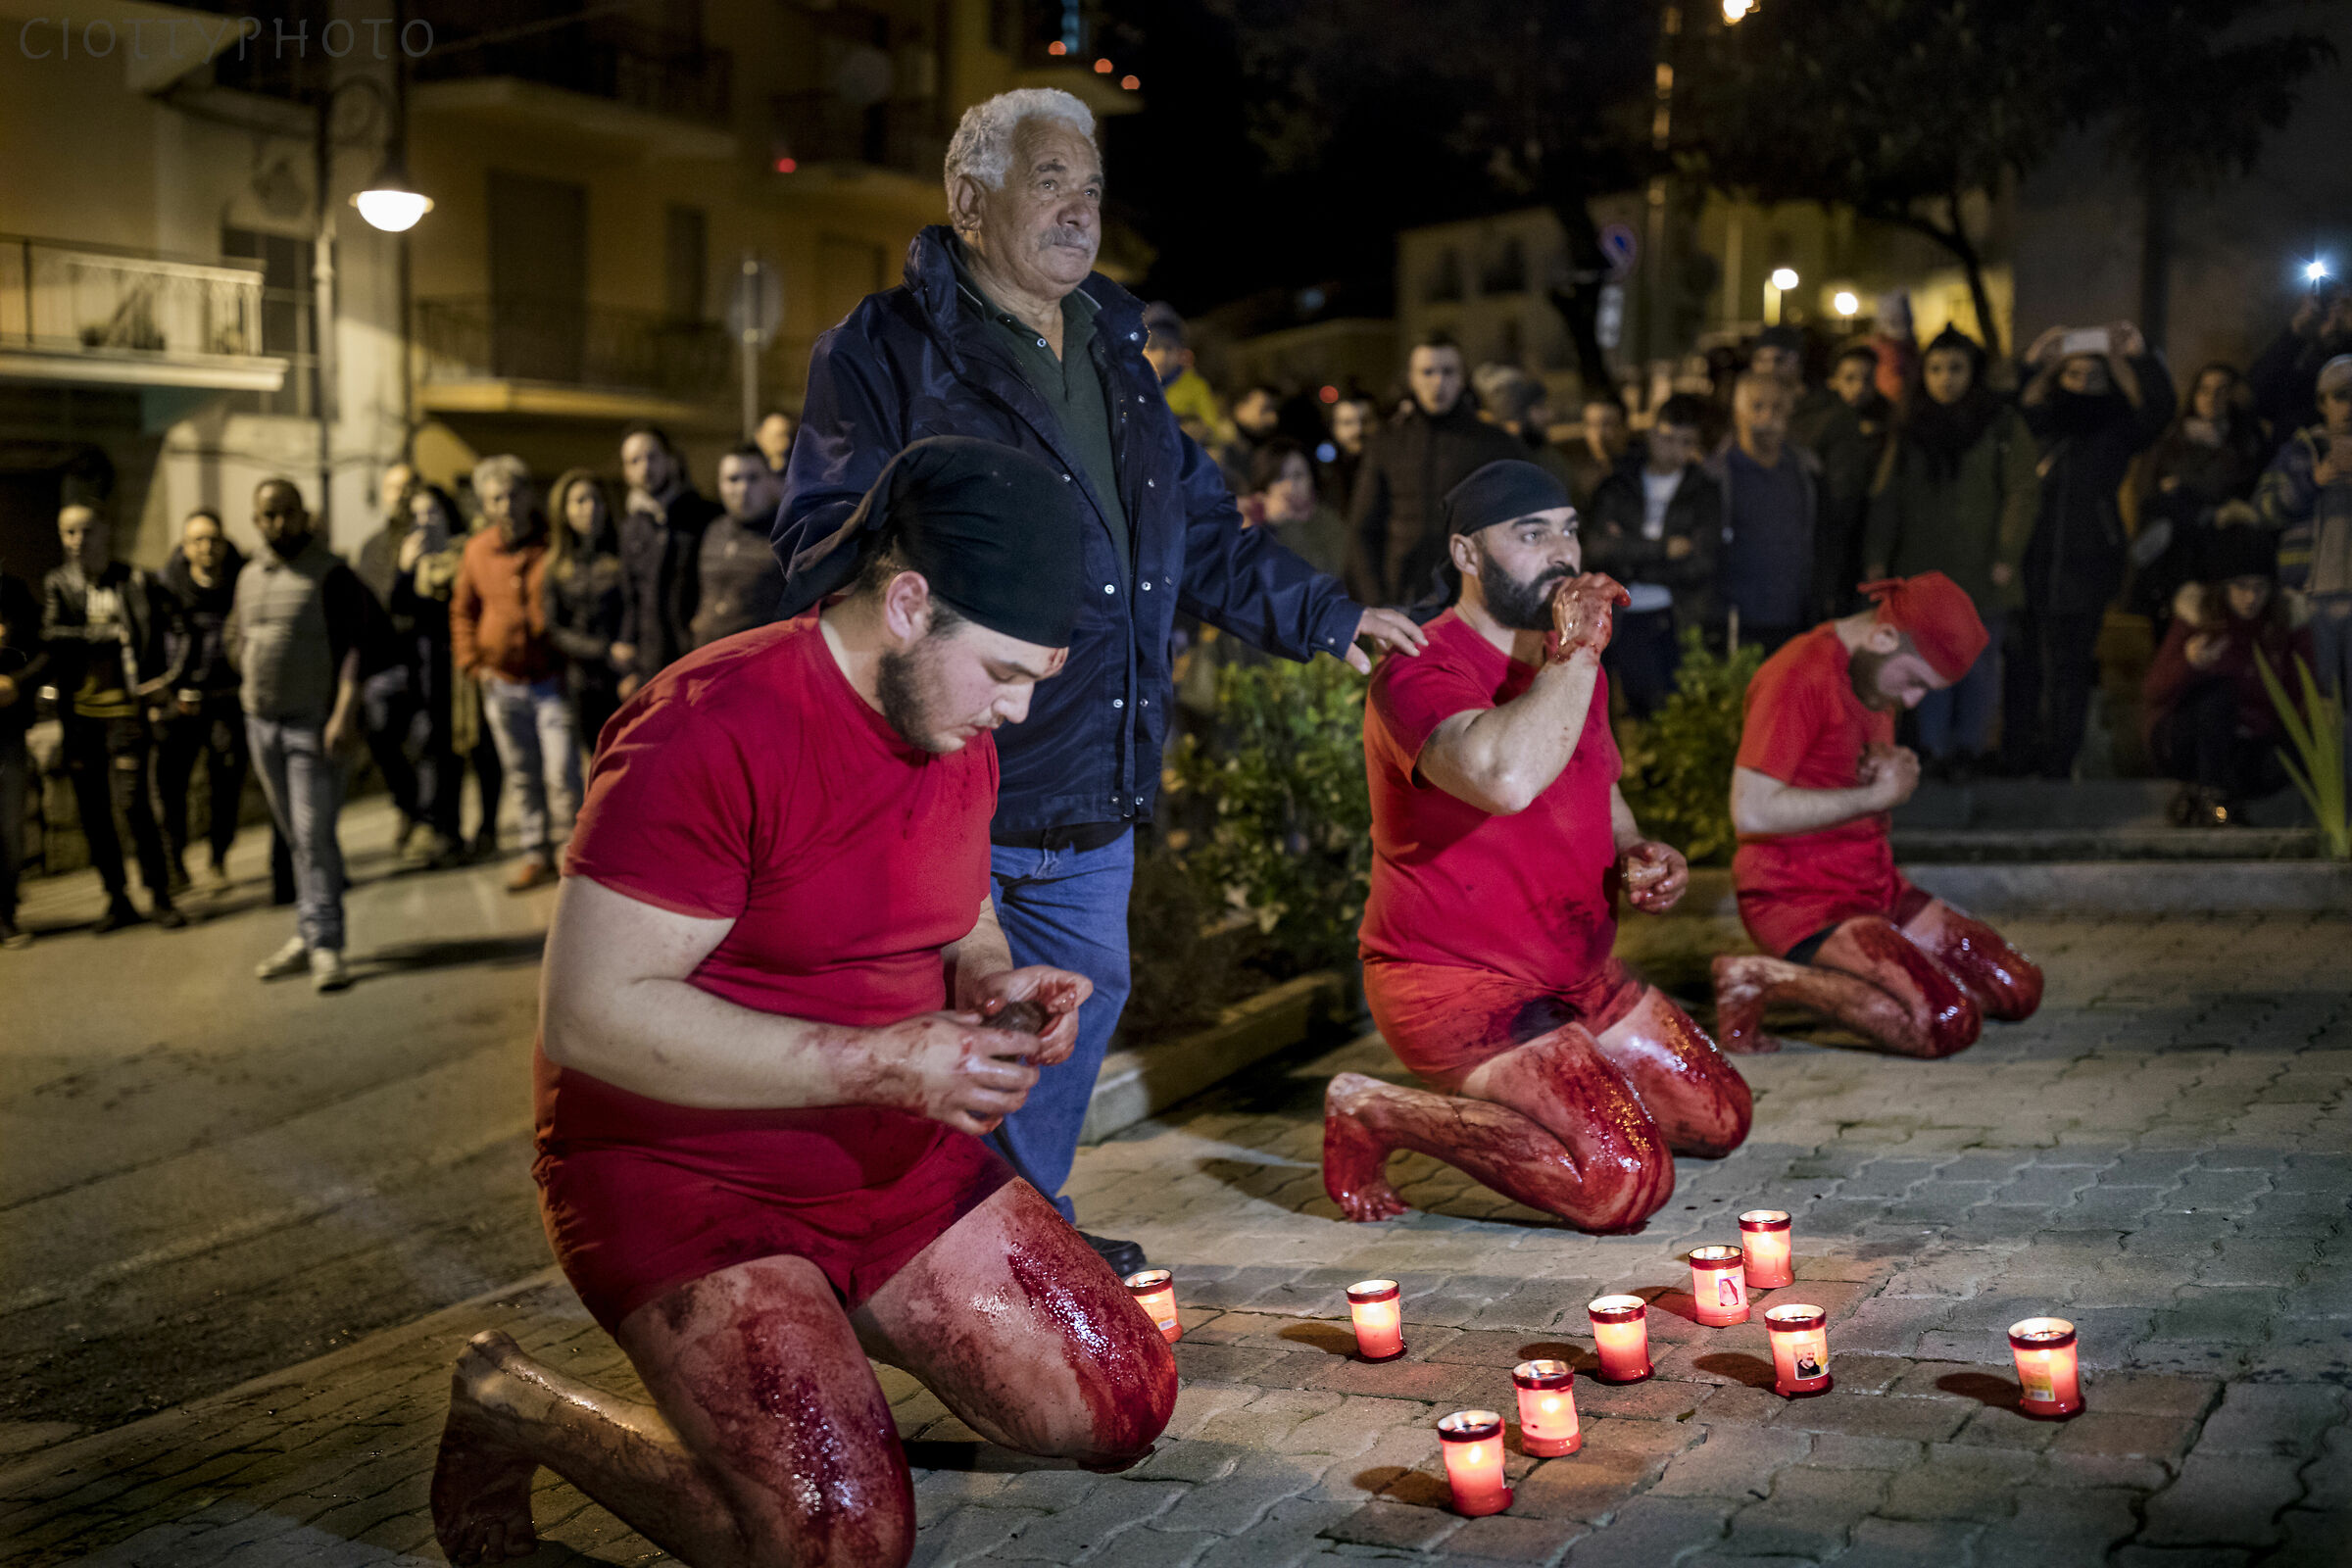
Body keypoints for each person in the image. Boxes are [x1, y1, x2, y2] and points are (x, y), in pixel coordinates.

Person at [430, 438, 1174, 1568]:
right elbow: (589, 1014)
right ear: (909, 604)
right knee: (840, 1546)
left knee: (1126, 1398)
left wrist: (992, 978)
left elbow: (964, 910)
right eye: (1006, 672)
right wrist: (887, 1061)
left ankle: (823, 1340)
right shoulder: (705, 724)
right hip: (688, 1175)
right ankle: (512, 1401)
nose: (1017, 711)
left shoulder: (951, 723)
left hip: (889, 1148)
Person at [774, 86, 1424, 1277]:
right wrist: (936, 579)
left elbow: (1200, 531)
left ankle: (1021, 1236)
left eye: (1092, 188)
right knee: (945, 1026)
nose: (1080, 210)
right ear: (969, 201)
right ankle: (922, 1260)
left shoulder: (1118, 355)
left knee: (1078, 1002)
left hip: (1093, 771)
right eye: (1050, 182)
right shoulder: (883, 350)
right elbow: (820, 542)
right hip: (948, 765)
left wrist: (1330, 617)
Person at [1325, 460, 1751, 1233]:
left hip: (1576, 971)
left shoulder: (1567, 661)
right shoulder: (1420, 666)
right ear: (1466, 553)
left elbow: (1600, 785)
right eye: (1530, 534)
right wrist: (1579, 650)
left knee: (1722, 1116)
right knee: (1623, 1180)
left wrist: (1637, 848)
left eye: (1569, 531)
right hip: (1460, 985)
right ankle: (1374, 1110)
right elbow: (1505, 777)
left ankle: (1567, 1080)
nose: (1561, 552)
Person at [1711, 573, 2044, 1058]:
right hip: (1800, 900)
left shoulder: (1871, 669)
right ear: (1885, 636)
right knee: (1946, 1023)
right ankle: (1760, 979)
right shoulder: (1800, 674)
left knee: (2018, 988)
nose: (1910, 701)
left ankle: (1886, 983)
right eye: (1914, 682)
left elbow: (1840, 768)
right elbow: (1751, 811)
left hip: (1875, 887)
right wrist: (1874, 797)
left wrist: (1893, 766)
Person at [1862, 325, 2039, 777]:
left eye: (1956, 368)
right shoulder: (1910, 427)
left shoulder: (2000, 424)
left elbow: (2021, 491)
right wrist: (1877, 556)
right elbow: (1887, 496)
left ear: (1973, 372)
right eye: (1936, 369)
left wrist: (2006, 553)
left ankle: (1969, 748)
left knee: (1979, 664)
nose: (1946, 379)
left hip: (1982, 568)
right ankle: (1934, 748)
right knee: (1927, 663)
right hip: (1924, 570)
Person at [2005, 321, 2176, 780]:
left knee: (2071, 665)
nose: (2083, 384)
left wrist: (2140, 357)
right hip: (2029, 558)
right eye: (2074, 374)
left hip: (2089, 561)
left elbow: (2159, 411)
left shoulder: (2116, 430)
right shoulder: (2038, 424)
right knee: (2023, 662)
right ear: (2058, 378)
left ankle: (2060, 760)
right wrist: (2031, 361)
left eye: (2094, 376)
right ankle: (2017, 756)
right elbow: (2003, 410)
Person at [230, 479, 383, 991]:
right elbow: (237, 634)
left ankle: (326, 944)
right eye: (269, 514)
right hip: (261, 723)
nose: (279, 523)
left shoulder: (331, 574)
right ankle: (308, 930)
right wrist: (248, 673)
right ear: (256, 520)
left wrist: (343, 713)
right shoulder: (249, 575)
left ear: (303, 515)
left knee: (314, 835)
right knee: (297, 838)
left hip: (311, 726)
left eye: (288, 512)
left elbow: (357, 648)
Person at [42, 505, 187, 933]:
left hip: (127, 713)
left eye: (86, 531)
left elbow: (181, 627)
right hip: (82, 716)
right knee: (93, 812)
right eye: (68, 533)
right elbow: (50, 634)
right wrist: (100, 634)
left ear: (105, 531)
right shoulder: (59, 583)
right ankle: (117, 898)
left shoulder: (135, 580)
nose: (77, 541)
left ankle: (160, 894)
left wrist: (168, 681)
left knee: (134, 804)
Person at [452, 456, 578, 895]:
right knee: (522, 773)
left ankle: (572, 854)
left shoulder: (552, 543)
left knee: (562, 772)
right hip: (502, 683)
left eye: (513, 495)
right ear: (485, 505)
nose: (506, 505)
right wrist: (473, 664)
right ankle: (535, 852)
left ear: (528, 496)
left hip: (550, 680)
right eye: (496, 499)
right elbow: (463, 611)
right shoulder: (477, 551)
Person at [1348, 333, 1525, 609]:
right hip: (1404, 598)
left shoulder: (1494, 444)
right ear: (1412, 378)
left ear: (1463, 377)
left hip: (1475, 600)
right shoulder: (1386, 443)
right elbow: (1363, 528)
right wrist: (1377, 602)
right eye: (1427, 372)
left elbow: (1519, 523)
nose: (1438, 382)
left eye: (1448, 371)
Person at [2143, 529, 2308, 825]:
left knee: (2295, 751)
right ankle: (2213, 801)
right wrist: (2189, 663)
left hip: (2249, 744)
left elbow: (2301, 696)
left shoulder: (2284, 624)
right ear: (2223, 586)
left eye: (2259, 587)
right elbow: (2153, 691)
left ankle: (2211, 804)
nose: (2251, 597)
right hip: (2187, 740)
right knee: (2219, 695)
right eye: (2240, 586)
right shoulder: (2200, 617)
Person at [1586, 392, 1720, 715]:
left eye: (1686, 442)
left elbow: (1702, 563)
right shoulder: (1619, 483)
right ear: (1652, 435)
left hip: (1677, 615)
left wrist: (1631, 559)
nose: (1675, 450)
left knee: (1676, 712)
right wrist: (1662, 549)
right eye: (1668, 438)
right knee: (1632, 708)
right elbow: (1598, 548)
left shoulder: (1703, 490)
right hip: (1623, 615)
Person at [2256, 353, 2352, 751]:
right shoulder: (2299, 451)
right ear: (2322, 402)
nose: (2350, 406)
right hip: (2310, 599)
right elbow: (2265, 510)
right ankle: (2322, 785)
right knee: (2317, 700)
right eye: (2342, 396)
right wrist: (2314, 480)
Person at [157, 509, 250, 892]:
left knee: (226, 781)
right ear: (185, 546)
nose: (206, 547)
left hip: (227, 698)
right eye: (198, 540)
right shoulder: (168, 587)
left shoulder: (242, 582)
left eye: (213, 539)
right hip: (182, 699)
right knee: (172, 783)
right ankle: (174, 861)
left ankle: (218, 856)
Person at [1707, 370, 1820, 654]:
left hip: (1794, 621)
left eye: (1777, 407)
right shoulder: (1717, 476)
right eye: (1757, 406)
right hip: (1734, 623)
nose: (1767, 417)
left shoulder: (1805, 473)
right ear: (1738, 413)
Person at [354, 462, 434, 858]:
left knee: (425, 740)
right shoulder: (372, 548)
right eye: (393, 488)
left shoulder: (434, 535)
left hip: (426, 658)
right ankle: (407, 806)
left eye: (408, 486)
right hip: (384, 663)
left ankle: (426, 821)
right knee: (381, 736)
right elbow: (370, 606)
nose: (401, 495)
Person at [407, 483, 490, 862]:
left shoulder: (467, 552)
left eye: (432, 512)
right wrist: (405, 569)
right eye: (418, 515)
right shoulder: (413, 561)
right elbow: (398, 607)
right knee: (440, 752)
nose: (425, 522)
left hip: (468, 664)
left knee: (482, 748)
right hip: (431, 672)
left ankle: (487, 830)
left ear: (447, 513)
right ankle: (447, 832)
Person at [612, 423, 721, 699]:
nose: (645, 467)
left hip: (699, 652)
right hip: (651, 658)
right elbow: (631, 596)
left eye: (652, 457)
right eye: (634, 461)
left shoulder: (704, 515)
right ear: (625, 472)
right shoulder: (631, 528)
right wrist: (628, 651)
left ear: (670, 460)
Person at [1796, 343, 1894, 612]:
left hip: (1866, 532)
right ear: (1834, 380)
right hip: (1828, 532)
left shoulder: (1888, 421)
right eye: (1850, 378)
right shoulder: (1818, 420)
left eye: (1867, 379)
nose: (1859, 387)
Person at [542, 468, 627, 755]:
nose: (590, 508)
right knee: (593, 758)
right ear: (564, 511)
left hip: (624, 673)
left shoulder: (622, 554)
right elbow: (555, 627)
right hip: (582, 678)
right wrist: (601, 650)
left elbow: (637, 607)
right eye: (580, 501)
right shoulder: (557, 565)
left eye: (596, 500)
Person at [692, 445, 787, 647]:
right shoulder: (714, 530)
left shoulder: (787, 534)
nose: (743, 488)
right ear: (719, 485)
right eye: (733, 479)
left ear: (770, 481)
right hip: (707, 651)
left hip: (758, 655)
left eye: (753, 478)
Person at [0, 559, 45, 949]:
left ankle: (6, 914)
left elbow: (45, 652)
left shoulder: (13, 592)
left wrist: (17, 682)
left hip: (7, 732)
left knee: (9, 830)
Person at [2249, 281, 2352, 437]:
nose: (2334, 315)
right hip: (2298, 446)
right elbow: (2257, 393)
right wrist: (2296, 332)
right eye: (2327, 304)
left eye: (2343, 306)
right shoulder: (2297, 360)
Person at [1243, 437, 1349, 578]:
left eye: (1298, 476)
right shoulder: (1247, 522)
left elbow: (1325, 575)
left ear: (1311, 479)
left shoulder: (1328, 522)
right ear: (1265, 483)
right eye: (1279, 478)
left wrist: (1287, 525)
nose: (1290, 486)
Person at [1473, 363, 1577, 493]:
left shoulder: (1546, 456)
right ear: (1516, 419)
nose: (1549, 415)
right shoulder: (1503, 468)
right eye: (1539, 408)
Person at [1141, 301, 1228, 451]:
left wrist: (1201, 432)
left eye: (1169, 348)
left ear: (1180, 350)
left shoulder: (1196, 387)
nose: (1162, 356)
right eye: (1153, 347)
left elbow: (1214, 432)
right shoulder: (1128, 383)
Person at [1562, 392, 1632, 513]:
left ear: (1624, 428)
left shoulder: (1642, 472)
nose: (1598, 434)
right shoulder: (1579, 481)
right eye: (1592, 425)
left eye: (1607, 425)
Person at [1320, 394, 1375, 514]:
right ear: (1334, 428)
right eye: (1348, 422)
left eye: (1365, 421)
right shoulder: (1325, 471)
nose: (1358, 429)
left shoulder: (1390, 464)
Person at [1220, 382, 1283, 487]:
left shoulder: (1252, 446)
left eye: (1275, 411)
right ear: (1240, 408)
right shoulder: (1221, 449)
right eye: (1265, 409)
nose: (1273, 419)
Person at [754, 410, 797, 475]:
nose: (779, 443)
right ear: (758, 437)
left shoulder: (798, 470)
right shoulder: (747, 468)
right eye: (772, 437)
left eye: (784, 435)